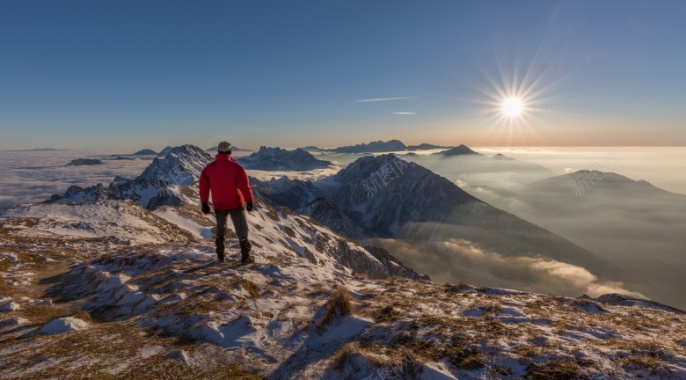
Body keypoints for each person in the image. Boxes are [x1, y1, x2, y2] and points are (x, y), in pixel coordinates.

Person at [199, 141, 255, 264]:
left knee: (220, 230)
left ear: (218, 151)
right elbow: (244, 186)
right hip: (236, 203)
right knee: (242, 230)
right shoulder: (236, 167)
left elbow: (203, 186)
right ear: (230, 152)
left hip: (219, 203)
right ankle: (245, 257)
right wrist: (249, 200)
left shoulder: (209, 168)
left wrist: (204, 203)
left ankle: (221, 257)